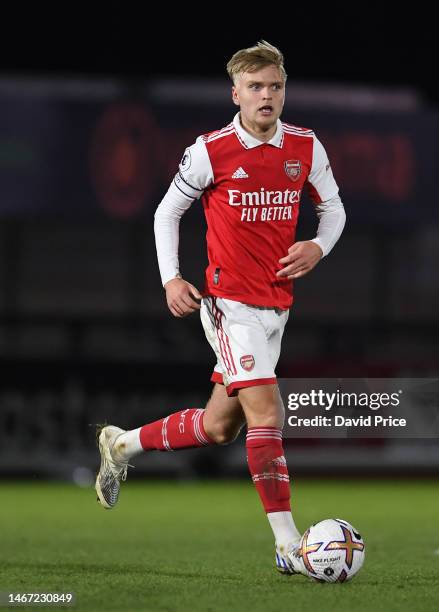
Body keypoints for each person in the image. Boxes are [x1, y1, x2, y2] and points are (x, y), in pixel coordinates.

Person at [95, 40, 346, 576]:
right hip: (228, 305)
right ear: (236, 93)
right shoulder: (211, 150)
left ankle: (121, 445)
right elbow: (167, 213)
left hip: (277, 308)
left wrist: (318, 245)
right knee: (269, 413)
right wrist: (171, 279)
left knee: (218, 427)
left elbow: (336, 209)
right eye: (256, 87)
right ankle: (288, 547)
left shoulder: (305, 146)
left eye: (275, 86)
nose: (267, 96)